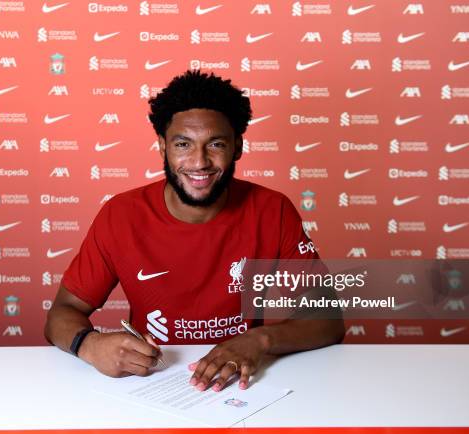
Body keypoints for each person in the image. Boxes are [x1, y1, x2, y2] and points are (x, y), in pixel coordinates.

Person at [44, 70, 344, 392]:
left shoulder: (273, 210)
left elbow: (327, 319)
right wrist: (89, 345)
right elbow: (63, 313)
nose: (199, 162)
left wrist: (260, 339)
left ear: (237, 147)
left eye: (215, 144)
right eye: (183, 144)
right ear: (163, 147)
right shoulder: (121, 214)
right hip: (152, 381)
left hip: (243, 382)